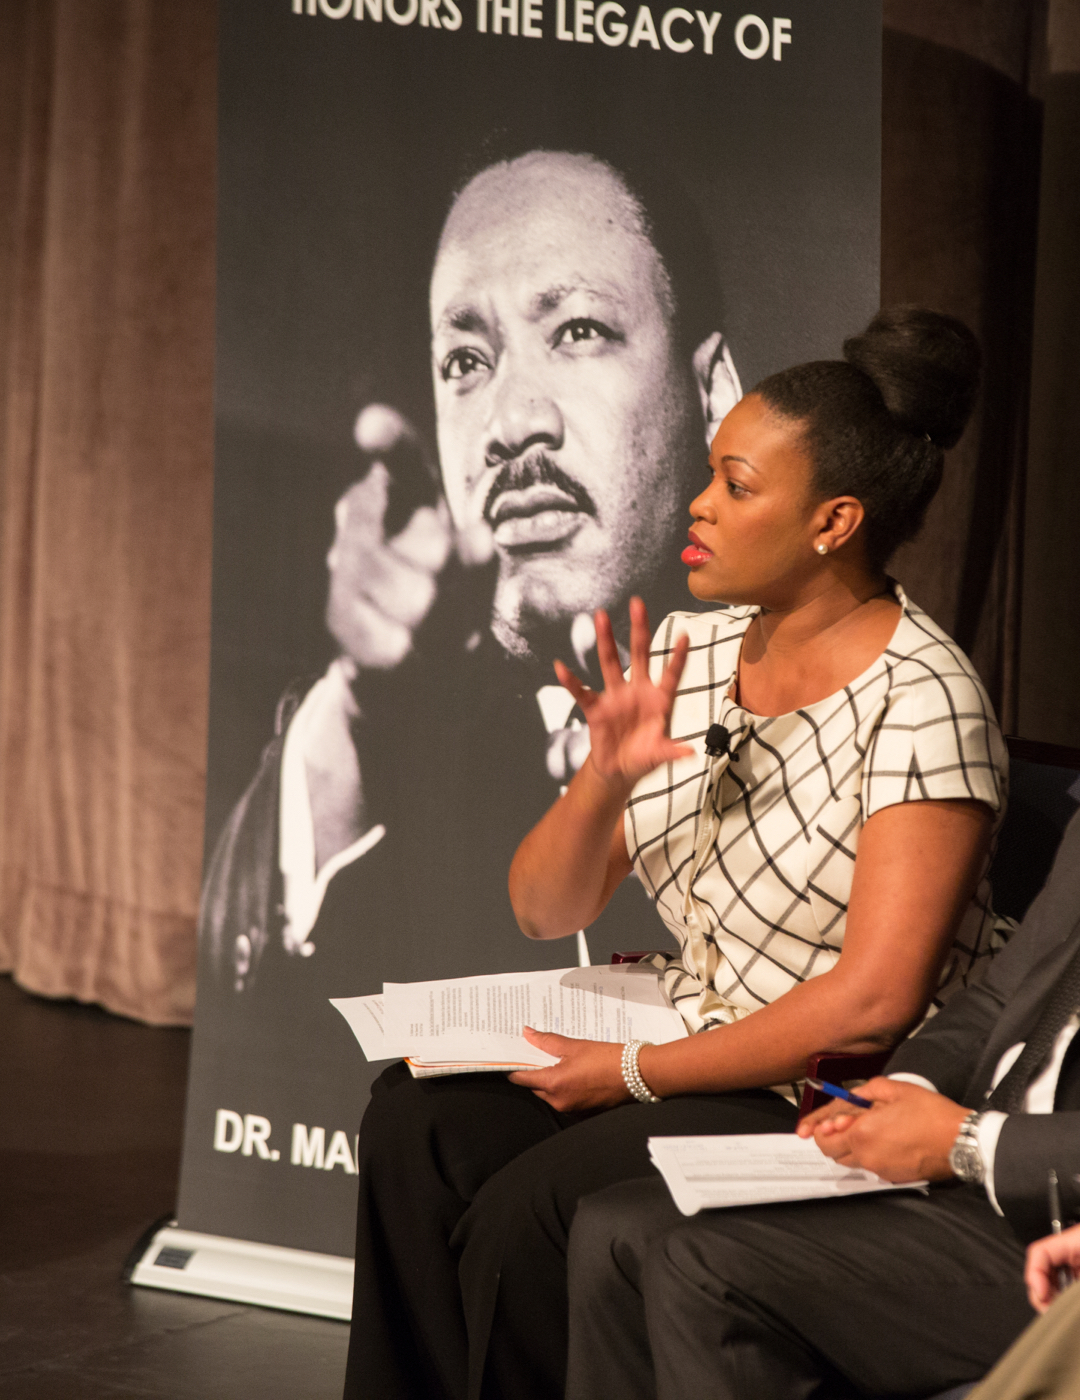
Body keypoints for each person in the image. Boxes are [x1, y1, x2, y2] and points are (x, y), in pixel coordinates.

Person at [344, 306, 1010, 1400]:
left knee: (532, 1214)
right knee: (414, 1122)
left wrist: (631, 1074)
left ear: (834, 521)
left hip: (819, 1085)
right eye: (710, 475)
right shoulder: (694, 647)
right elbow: (544, 908)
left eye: (736, 486)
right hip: (682, 1025)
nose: (699, 505)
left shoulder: (926, 700)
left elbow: (873, 1004)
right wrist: (604, 777)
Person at [200, 145, 743, 1013]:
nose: (511, 421)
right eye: (465, 362)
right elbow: (253, 1003)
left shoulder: (838, 714)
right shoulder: (369, 737)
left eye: (579, 332)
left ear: (713, 393)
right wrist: (358, 720)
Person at [562, 804, 1080, 1400]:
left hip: (1050, 1219)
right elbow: (997, 997)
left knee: (704, 1269)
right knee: (613, 1231)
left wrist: (968, 1143)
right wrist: (905, 1091)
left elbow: (875, 1004)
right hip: (972, 1171)